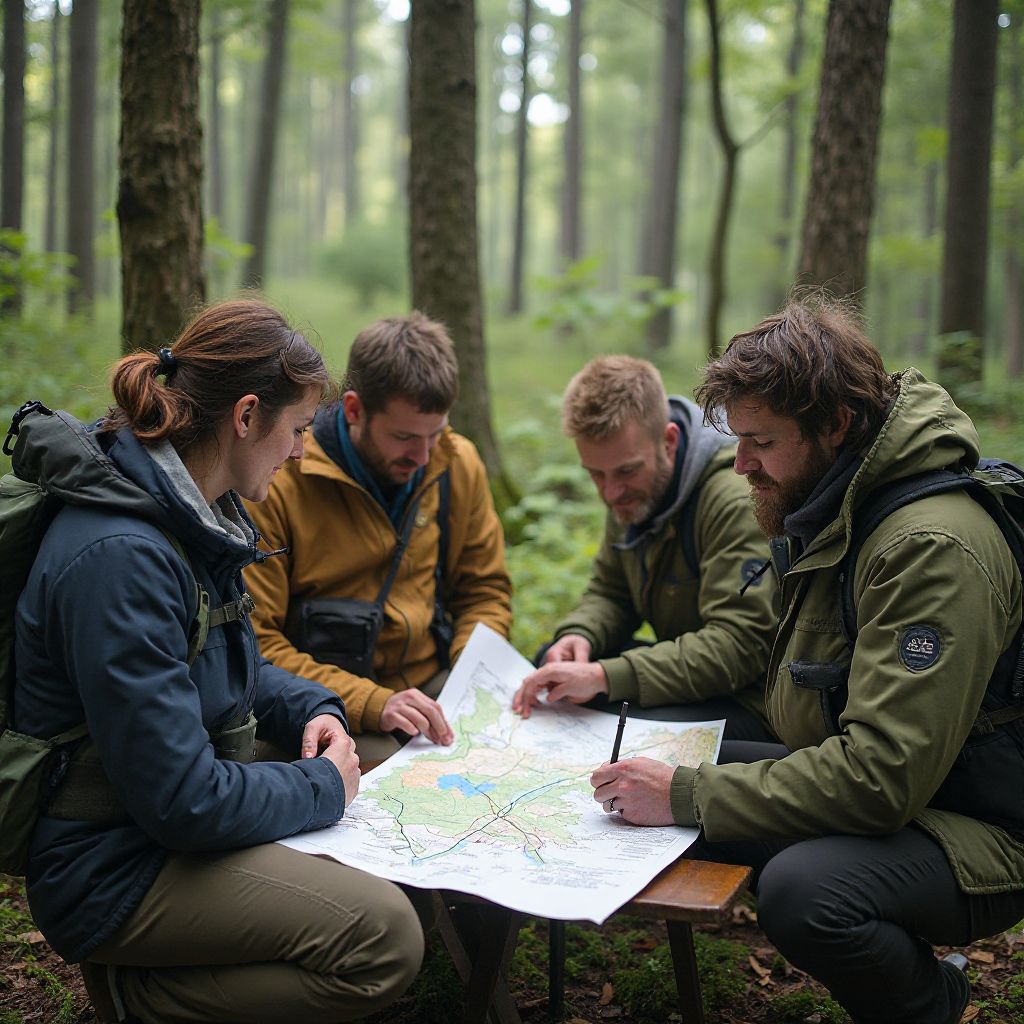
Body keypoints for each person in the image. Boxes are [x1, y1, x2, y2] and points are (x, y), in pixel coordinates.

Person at [591, 298, 1024, 1024]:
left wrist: (687, 794)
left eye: (759, 440)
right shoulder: (839, 503)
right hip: (915, 785)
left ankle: (931, 1003)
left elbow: (882, 778)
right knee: (680, 745)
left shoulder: (927, 549)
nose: (740, 463)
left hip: (981, 822)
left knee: (804, 892)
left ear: (836, 426)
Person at [11, 299, 423, 1024]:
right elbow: (184, 802)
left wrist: (318, 713)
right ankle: (146, 998)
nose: (301, 450)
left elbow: (232, 663)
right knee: (382, 938)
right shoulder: (122, 558)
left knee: (384, 747)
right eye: (296, 430)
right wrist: (322, 785)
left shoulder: (190, 508)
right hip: (115, 869)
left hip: (157, 822)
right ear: (245, 416)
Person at [244, 312, 512, 766]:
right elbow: (256, 643)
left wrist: (472, 674)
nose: (423, 456)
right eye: (405, 437)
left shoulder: (456, 462)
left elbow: (484, 590)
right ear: (354, 411)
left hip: (433, 686)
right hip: (322, 700)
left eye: (436, 433)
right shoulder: (279, 478)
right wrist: (373, 702)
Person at [513, 355, 778, 741]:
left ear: (668, 441)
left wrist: (605, 676)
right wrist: (579, 636)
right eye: (595, 475)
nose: (610, 492)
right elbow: (612, 591)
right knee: (552, 667)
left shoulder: (734, 501)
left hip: (749, 700)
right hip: (687, 676)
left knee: (619, 724)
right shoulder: (630, 495)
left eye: (625, 471)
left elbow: (738, 647)